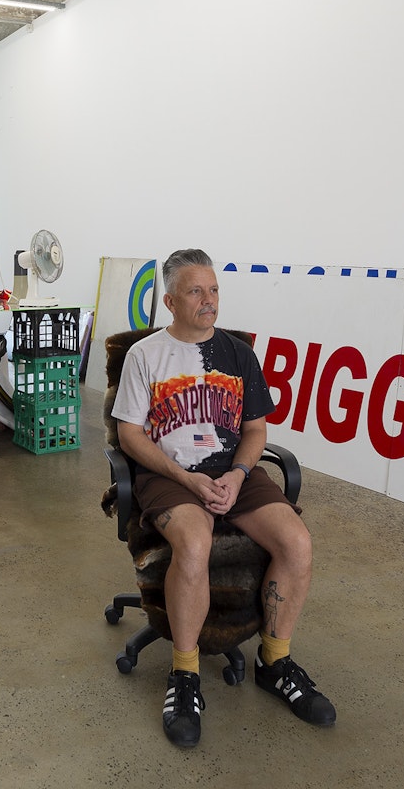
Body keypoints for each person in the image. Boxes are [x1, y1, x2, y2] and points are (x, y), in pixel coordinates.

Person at [111, 248, 336, 747]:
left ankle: (274, 662)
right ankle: (186, 675)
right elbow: (129, 435)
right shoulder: (144, 355)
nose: (209, 301)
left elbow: (255, 429)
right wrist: (186, 480)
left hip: (231, 470)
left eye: (214, 290)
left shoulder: (238, 354)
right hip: (167, 473)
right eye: (196, 291)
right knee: (195, 542)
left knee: (296, 542)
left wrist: (237, 474)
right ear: (169, 300)